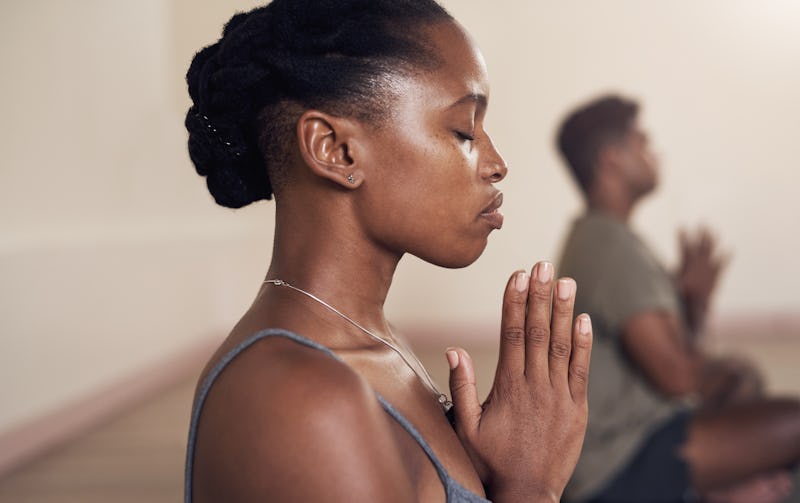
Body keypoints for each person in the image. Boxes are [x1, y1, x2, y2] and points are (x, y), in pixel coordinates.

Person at [182, 1, 593, 501]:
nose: (496, 163)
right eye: (463, 131)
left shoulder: (375, 341)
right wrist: (532, 488)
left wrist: (501, 475)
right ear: (335, 150)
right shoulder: (298, 400)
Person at [555, 94, 800, 503]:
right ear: (612, 158)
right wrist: (727, 369)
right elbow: (678, 378)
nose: (654, 153)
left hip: (647, 442)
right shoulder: (607, 243)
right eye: (642, 142)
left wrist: (694, 304)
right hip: (616, 465)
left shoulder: (609, 239)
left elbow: (677, 371)